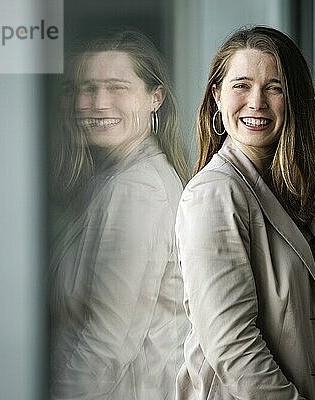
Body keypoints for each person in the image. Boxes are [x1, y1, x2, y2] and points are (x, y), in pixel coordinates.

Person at [175, 26, 315, 400]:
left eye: (274, 88)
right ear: (217, 97)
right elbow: (234, 347)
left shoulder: (291, 193)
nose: (256, 101)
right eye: (241, 85)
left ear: (294, 101)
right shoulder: (214, 193)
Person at [49, 30, 189, 400]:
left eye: (116, 87)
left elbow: (106, 347)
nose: (93, 102)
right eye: (82, 88)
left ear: (154, 97)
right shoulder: (110, 178)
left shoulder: (137, 190)